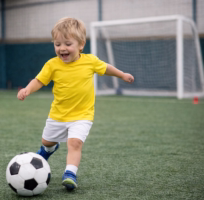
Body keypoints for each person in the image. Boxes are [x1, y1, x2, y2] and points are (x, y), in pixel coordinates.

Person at [17, 17, 134, 191]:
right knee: (47, 141)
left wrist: (121, 74)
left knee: (75, 143)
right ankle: (48, 150)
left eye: (67, 44)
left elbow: (106, 67)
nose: (62, 48)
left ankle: (70, 174)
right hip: (58, 114)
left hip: (82, 115)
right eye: (57, 44)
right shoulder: (52, 64)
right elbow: (39, 81)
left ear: (81, 44)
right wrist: (27, 89)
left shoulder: (90, 61)